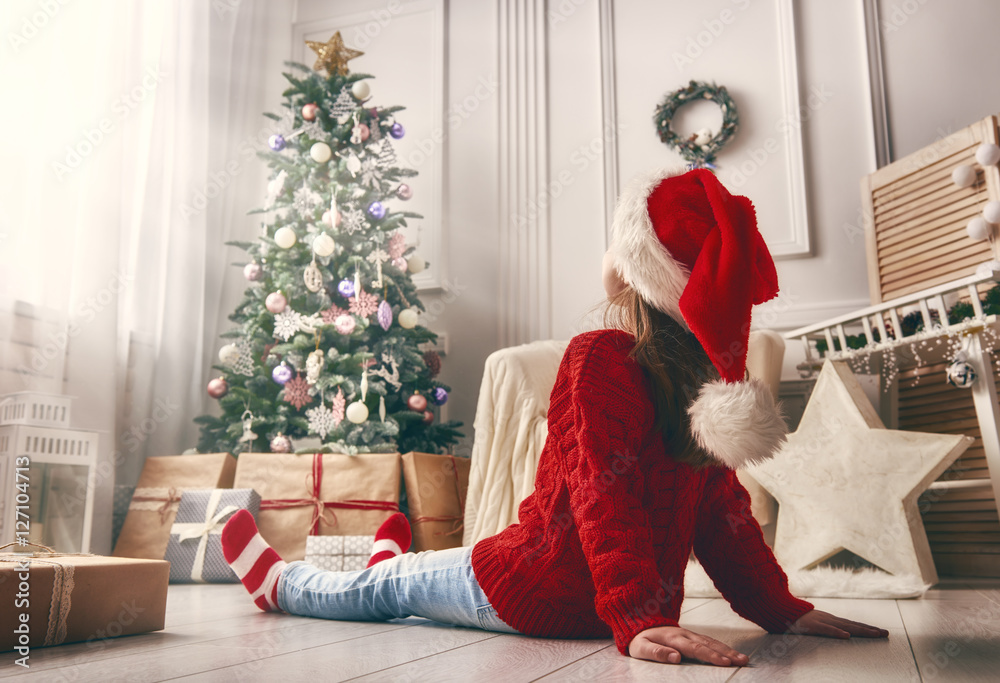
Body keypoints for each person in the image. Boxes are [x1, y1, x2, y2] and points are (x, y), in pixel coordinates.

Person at [221, 168, 889, 667]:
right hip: (604, 606)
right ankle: (388, 554)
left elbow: (606, 492)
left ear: (627, 276)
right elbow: (722, 515)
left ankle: (284, 581)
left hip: (528, 589)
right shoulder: (699, 386)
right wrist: (773, 606)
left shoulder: (600, 356)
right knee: (405, 583)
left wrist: (646, 616)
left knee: (389, 588)